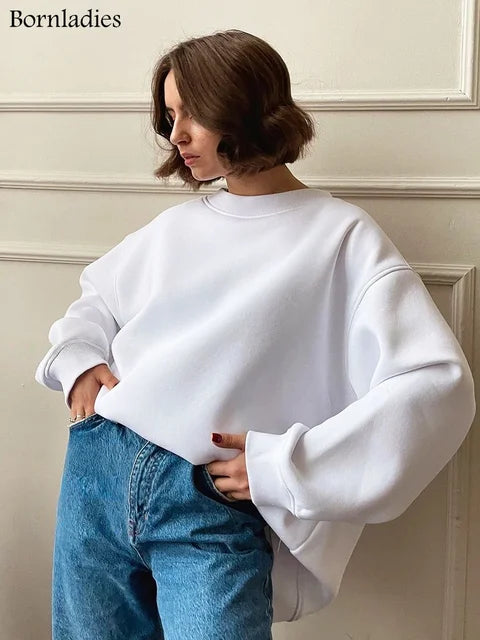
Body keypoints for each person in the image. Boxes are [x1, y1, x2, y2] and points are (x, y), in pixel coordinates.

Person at [35, 29, 476, 639]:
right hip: (96, 473)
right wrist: (79, 360)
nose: (177, 134)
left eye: (193, 112)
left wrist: (287, 467)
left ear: (244, 105)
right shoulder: (174, 228)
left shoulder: (341, 237)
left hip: (206, 497)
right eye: (170, 116)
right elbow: (94, 304)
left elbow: (436, 387)